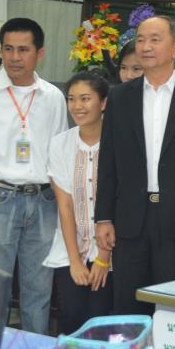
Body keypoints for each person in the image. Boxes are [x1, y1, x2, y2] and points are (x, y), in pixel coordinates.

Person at [95, 15, 175, 315]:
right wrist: (103, 218)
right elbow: (109, 162)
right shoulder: (119, 96)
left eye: (155, 40)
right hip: (129, 218)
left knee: (171, 307)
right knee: (128, 304)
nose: (145, 47)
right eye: (140, 40)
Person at [0, 17, 68, 334]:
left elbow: (60, 157)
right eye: (8, 49)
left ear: (39, 53)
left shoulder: (53, 97)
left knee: (39, 293)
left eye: (23, 50)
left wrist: (64, 213)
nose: (15, 57)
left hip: (44, 201)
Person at [43, 71, 113, 335]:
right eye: (71, 99)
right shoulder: (60, 144)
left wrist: (103, 259)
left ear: (103, 102)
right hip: (70, 249)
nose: (77, 106)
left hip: (112, 252)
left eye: (85, 98)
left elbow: (119, 203)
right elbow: (65, 206)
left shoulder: (118, 141)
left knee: (103, 323)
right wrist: (74, 260)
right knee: (72, 320)